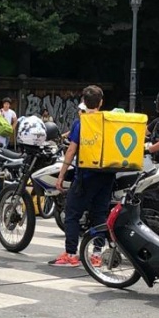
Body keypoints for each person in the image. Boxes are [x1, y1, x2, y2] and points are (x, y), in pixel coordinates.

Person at [49, 86, 114, 268]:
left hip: (86, 175)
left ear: (83, 102)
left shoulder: (82, 123)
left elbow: (71, 150)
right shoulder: (109, 122)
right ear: (101, 102)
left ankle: (71, 253)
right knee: (100, 214)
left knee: (72, 213)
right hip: (108, 175)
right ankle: (96, 255)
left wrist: (61, 175)